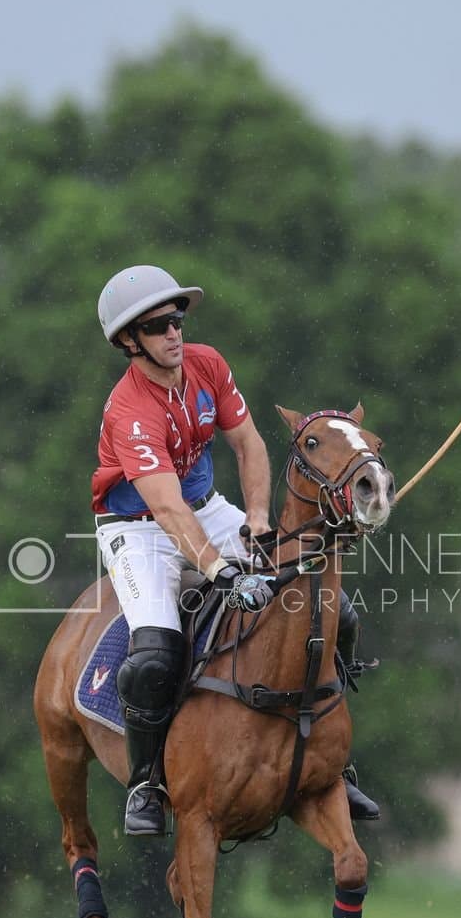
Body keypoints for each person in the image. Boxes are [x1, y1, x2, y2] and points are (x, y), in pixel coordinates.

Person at [92, 265, 379, 836]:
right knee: (153, 654)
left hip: (209, 510)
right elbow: (167, 511)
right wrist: (221, 569)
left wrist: (254, 520)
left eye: (176, 319)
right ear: (129, 342)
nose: (174, 333)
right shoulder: (129, 412)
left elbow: (248, 445)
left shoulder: (208, 365)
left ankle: (329, 759)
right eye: (156, 326)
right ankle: (147, 783)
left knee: (331, 611)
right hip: (139, 527)